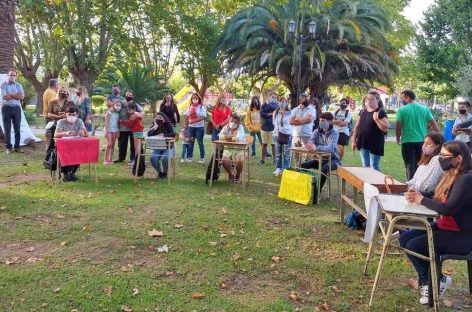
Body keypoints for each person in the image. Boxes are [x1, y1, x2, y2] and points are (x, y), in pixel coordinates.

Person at [400, 140, 472, 305]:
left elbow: (447, 208)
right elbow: (436, 194)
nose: (440, 159)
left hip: (462, 234)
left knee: (414, 245)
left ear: (458, 158)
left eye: (444, 156)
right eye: (440, 155)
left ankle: (432, 283)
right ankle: (434, 280)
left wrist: (421, 199)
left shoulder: (466, 179)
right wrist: (417, 194)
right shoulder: (453, 174)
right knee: (405, 239)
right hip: (446, 226)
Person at [396, 90, 440, 180]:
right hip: (422, 142)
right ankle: (419, 183)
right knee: (421, 164)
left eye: (402, 98)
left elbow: (398, 126)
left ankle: (411, 186)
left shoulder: (402, 110)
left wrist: (397, 137)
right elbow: (434, 124)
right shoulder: (424, 109)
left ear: (408, 98)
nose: (401, 100)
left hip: (407, 141)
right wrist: (439, 138)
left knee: (409, 165)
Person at [300, 112, 340, 191]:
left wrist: (316, 148)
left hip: (333, 160)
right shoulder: (316, 131)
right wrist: (309, 145)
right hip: (320, 159)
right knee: (303, 165)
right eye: (320, 120)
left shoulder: (335, 133)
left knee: (324, 168)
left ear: (330, 121)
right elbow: (311, 141)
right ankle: (304, 188)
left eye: (323, 120)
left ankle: (317, 191)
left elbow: (331, 148)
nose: (320, 122)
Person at [351, 91, 389, 171]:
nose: (369, 101)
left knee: (374, 165)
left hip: (375, 143)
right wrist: (354, 141)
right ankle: (367, 183)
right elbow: (357, 126)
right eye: (367, 99)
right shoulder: (363, 111)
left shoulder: (380, 111)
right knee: (365, 164)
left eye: (372, 99)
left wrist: (377, 119)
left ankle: (376, 183)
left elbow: (385, 128)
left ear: (377, 100)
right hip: (363, 141)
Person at [54, 105, 88, 182]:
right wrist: (65, 133)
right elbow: (56, 135)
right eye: (69, 114)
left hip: (76, 146)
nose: (71, 116)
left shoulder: (79, 121)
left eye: (74, 114)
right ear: (66, 114)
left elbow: (86, 134)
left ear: (77, 115)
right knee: (65, 154)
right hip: (63, 147)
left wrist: (83, 133)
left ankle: (72, 173)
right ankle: (65, 174)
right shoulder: (61, 122)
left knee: (79, 153)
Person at [406, 132, 445, 197]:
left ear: (437, 146)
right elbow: (415, 179)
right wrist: (404, 185)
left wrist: (410, 189)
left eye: (428, 144)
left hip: (425, 195)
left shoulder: (437, 160)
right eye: (424, 142)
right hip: (416, 191)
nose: (424, 145)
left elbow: (427, 186)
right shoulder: (426, 158)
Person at [115, 89, 143, 164]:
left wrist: (137, 114)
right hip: (122, 128)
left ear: (133, 96)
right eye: (127, 95)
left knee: (133, 145)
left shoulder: (135, 104)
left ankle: (133, 159)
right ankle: (121, 158)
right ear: (125, 95)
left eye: (130, 95)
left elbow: (142, 112)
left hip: (132, 128)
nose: (128, 96)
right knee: (122, 144)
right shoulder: (121, 104)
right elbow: (115, 110)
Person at [1, 69, 25, 153]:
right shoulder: (3, 85)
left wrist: (10, 94)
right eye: (11, 75)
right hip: (6, 108)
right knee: (7, 129)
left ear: (16, 76)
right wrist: (16, 95)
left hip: (16, 108)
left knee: (17, 128)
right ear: (8, 75)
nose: (12, 77)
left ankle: (17, 147)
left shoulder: (19, 85)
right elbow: (4, 97)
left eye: (14, 75)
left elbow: (21, 97)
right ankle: (8, 147)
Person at [219, 114, 246, 182]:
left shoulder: (240, 127)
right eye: (231, 121)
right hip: (228, 149)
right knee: (224, 161)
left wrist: (226, 137)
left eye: (235, 122)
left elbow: (238, 138)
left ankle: (237, 175)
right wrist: (232, 136)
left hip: (240, 149)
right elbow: (220, 137)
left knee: (239, 161)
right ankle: (230, 174)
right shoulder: (225, 127)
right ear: (229, 121)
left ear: (238, 123)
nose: (233, 123)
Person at [148, 113, 176, 179]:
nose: (158, 119)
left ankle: (165, 173)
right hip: (157, 147)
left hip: (168, 147)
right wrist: (155, 126)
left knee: (165, 158)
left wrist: (163, 135)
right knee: (153, 158)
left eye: (160, 118)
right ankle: (160, 172)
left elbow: (173, 134)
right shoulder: (155, 125)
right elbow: (149, 134)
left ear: (164, 118)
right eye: (157, 118)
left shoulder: (169, 125)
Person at [120, 102, 144, 166]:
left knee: (137, 148)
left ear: (134, 109)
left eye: (131, 109)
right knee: (137, 147)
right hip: (138, 131)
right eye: (129, 110)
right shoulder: (135, 114)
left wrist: (121, 122)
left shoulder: (134, 115)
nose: (130, 111)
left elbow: (129, 124)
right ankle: (137, 161)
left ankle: (136, 162)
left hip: (137, 131)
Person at [273, 97, 292, 177]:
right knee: (278, 153)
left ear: (287, 103)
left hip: (287, 135)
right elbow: (274, 122)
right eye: (280, 101)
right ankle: (278, 168)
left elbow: (292, 123)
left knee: (286, 153)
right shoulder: (276, 112)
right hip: (277, 134)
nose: (282, 103)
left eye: (283, 101)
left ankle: (286, 169)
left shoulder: (290, 112)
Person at [185, 93, 207, 163]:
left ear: (199, 99)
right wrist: (186, 124)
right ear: (191, 99)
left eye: (196, 98)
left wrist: (194, 121)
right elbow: (187, 116)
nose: (194, 99)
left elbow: (203, 117)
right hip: (191, 128)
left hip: (199, 128)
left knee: (200, 143)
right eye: (193, 98)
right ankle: (189, 157)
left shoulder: (201, 107)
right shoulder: (190, 107)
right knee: (191, 142)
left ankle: (202, 158)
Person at [259, 93, 277, 164]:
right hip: (264, 127)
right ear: (269, 97)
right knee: (264, 144)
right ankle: (262, 160)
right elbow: (261, 113)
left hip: (273, 128)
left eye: (275, 98)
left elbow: (274, 109)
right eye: (272, 97)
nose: (273, 99)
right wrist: (269, 114)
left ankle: (274, 160)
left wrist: (269, 104)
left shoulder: (276, 105)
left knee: (273, 144)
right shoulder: (263, 105)